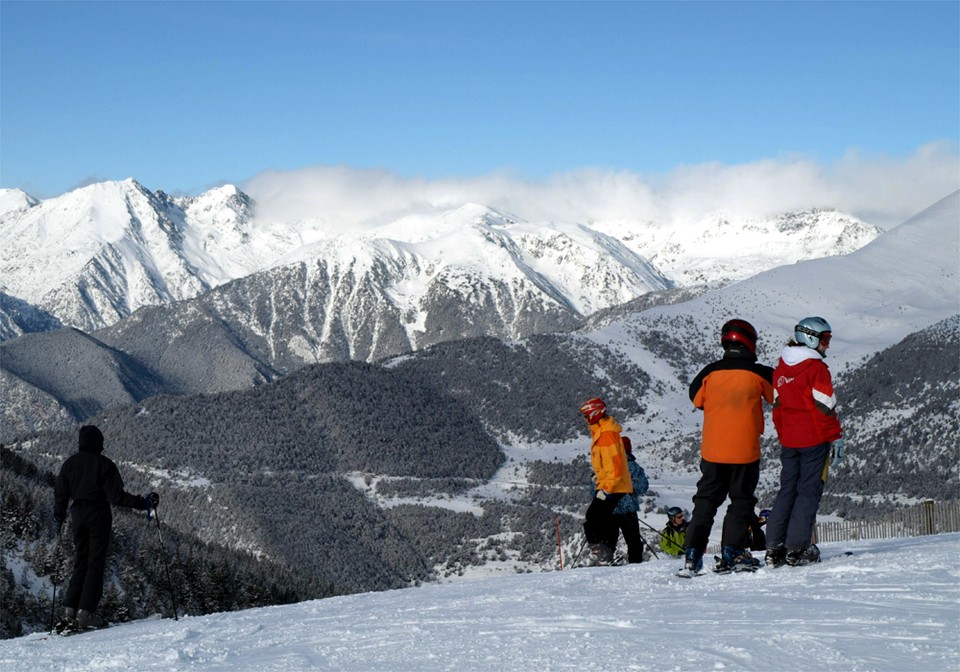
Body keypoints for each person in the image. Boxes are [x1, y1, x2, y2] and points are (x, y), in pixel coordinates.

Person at [680, 319, 774, 577]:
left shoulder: (709, 372)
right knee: (741, 501)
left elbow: (696, 399)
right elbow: (777, 396)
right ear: (749, 342)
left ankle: (692, 555)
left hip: (712, 451)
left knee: (705, 503)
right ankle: (733, 551)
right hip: (745, 450)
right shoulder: (760, 373)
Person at [54, 425, 159, 631]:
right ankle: (86, 613)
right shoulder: (105, 465)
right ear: (99, 443)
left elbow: (60, 494)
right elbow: (117, 497)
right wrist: (143, 503)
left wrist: (59, 517)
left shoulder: (69, 464)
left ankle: (70, 611)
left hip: (77, 514)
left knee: (81, 562)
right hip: (98, 514)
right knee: (95, 563)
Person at [765, 317, 844, 568]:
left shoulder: (781, 368)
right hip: (814, 440)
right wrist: (836, 437)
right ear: (811, 338)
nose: (827, 345)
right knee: (808, 492)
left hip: (790, 442)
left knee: (787, 490)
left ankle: (774, 547)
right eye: (825, 339)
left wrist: (786, 433)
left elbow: (777, 408)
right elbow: (825, 408)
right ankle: (797, 549)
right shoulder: (815, 368)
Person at [579, 397, 633, 565]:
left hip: (613, 485)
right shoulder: (601, 431)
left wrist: (607, 488)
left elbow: (615, 465)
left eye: (586, 415)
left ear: (595, 413)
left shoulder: (606, 434)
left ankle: (601, 553)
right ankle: (606, 553)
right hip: (609, 483)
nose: (585, 419)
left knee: (593, 516)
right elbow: (606, 463)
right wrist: (599, 476)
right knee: (606, 518)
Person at [603, 436, 650, 563]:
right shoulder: (633, 466)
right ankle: (636, 565)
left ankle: (604, 565)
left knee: (608, 541)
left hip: (609, 509)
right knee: (633, 540)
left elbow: (594, 489)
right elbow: (643, 486)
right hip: (627, 509)